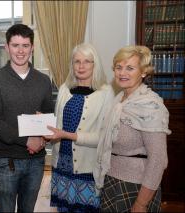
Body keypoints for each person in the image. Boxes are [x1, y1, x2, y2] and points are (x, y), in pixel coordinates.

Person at [0, 24, 54, 212]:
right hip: (6, 160)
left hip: (37, 160)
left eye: (25, 45)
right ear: (7, 47)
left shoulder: (43, 80)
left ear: (32, 47)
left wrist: (43, 136)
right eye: (15, 45)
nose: (20, 51)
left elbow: (48, 116)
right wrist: (27, 140)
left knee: (28, 209)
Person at [94, 45, 171, 212]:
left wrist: (142, 203)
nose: (122, 73)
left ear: (143, 72)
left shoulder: (151, 106)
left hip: (137, 187)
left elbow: (158, 160)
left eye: (130, 68)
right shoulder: (118, 100)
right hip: (111, 181)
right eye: (119, 67)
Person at [43, 43, 115, 212]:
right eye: (77, 61)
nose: (81, 66)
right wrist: (42, 122)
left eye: (87, 61)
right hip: (62, 165)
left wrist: (69, 135)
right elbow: (58, 125)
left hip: (88, 168)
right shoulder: (64, 89)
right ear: (72, 65)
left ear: (94, 65)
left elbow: (104, 137)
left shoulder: (106, 93)